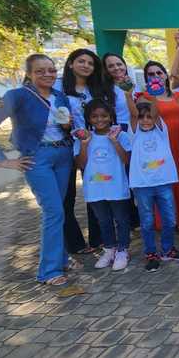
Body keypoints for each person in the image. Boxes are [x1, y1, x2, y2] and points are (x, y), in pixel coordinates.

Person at [0, 54, 77, 285]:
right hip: (37, 158)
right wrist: (2, 161)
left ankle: (61, 258)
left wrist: (67, 125)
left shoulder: (59, 96)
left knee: (59, 209)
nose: (48, 74)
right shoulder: (17, 95)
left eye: (51, 70)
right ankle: (49, 271)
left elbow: (65, 127)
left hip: (63, 154)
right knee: (53, 211)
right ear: (29, 74)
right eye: (40, 71)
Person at [125, 98, 179, 272]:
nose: (145, 120)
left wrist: (153, 95)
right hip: (142, 185)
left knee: (169, 219)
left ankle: (168, 250)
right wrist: (128, 94)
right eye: (142, 117)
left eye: (149, 117)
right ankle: (151, 253)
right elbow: (133, 114)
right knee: (147, 222)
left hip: (163, 183)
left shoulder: (162, 130)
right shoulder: (134, 132)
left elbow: (155, 111)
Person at [60, 48, 111, 255]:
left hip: (92, 146)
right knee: (67, 196)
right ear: (71, 63)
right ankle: (75, 244)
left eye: (90, 63)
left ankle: (98, 239)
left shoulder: (96, 89)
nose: (86, 66)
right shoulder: (58, 88)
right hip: (64, 146)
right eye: (81, 61)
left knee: (96, 190)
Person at [74, 99, 132, 271]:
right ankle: (109, 249)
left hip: (117, 187)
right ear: (88, 118)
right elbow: (81, 164)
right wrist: (84, 144)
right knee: (103, 221)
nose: (100, 119)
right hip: (95, 188)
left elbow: (126, 160)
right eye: (95, 116)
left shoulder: (121, 135)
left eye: (104, 116)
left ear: (111, 116)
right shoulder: (84, 138)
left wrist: (114, 141)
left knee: (121, 219)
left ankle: (123, 250)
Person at [139, 60, 179, 229]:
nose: (156, 76)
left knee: (178, 178)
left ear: (166, 75)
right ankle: (164, 220)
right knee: (162, 178)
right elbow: (142, 123)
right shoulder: (144, 97)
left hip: (177, 140)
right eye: (151, 74)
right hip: (158, 142)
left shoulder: (175, 96)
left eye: (159, 72)